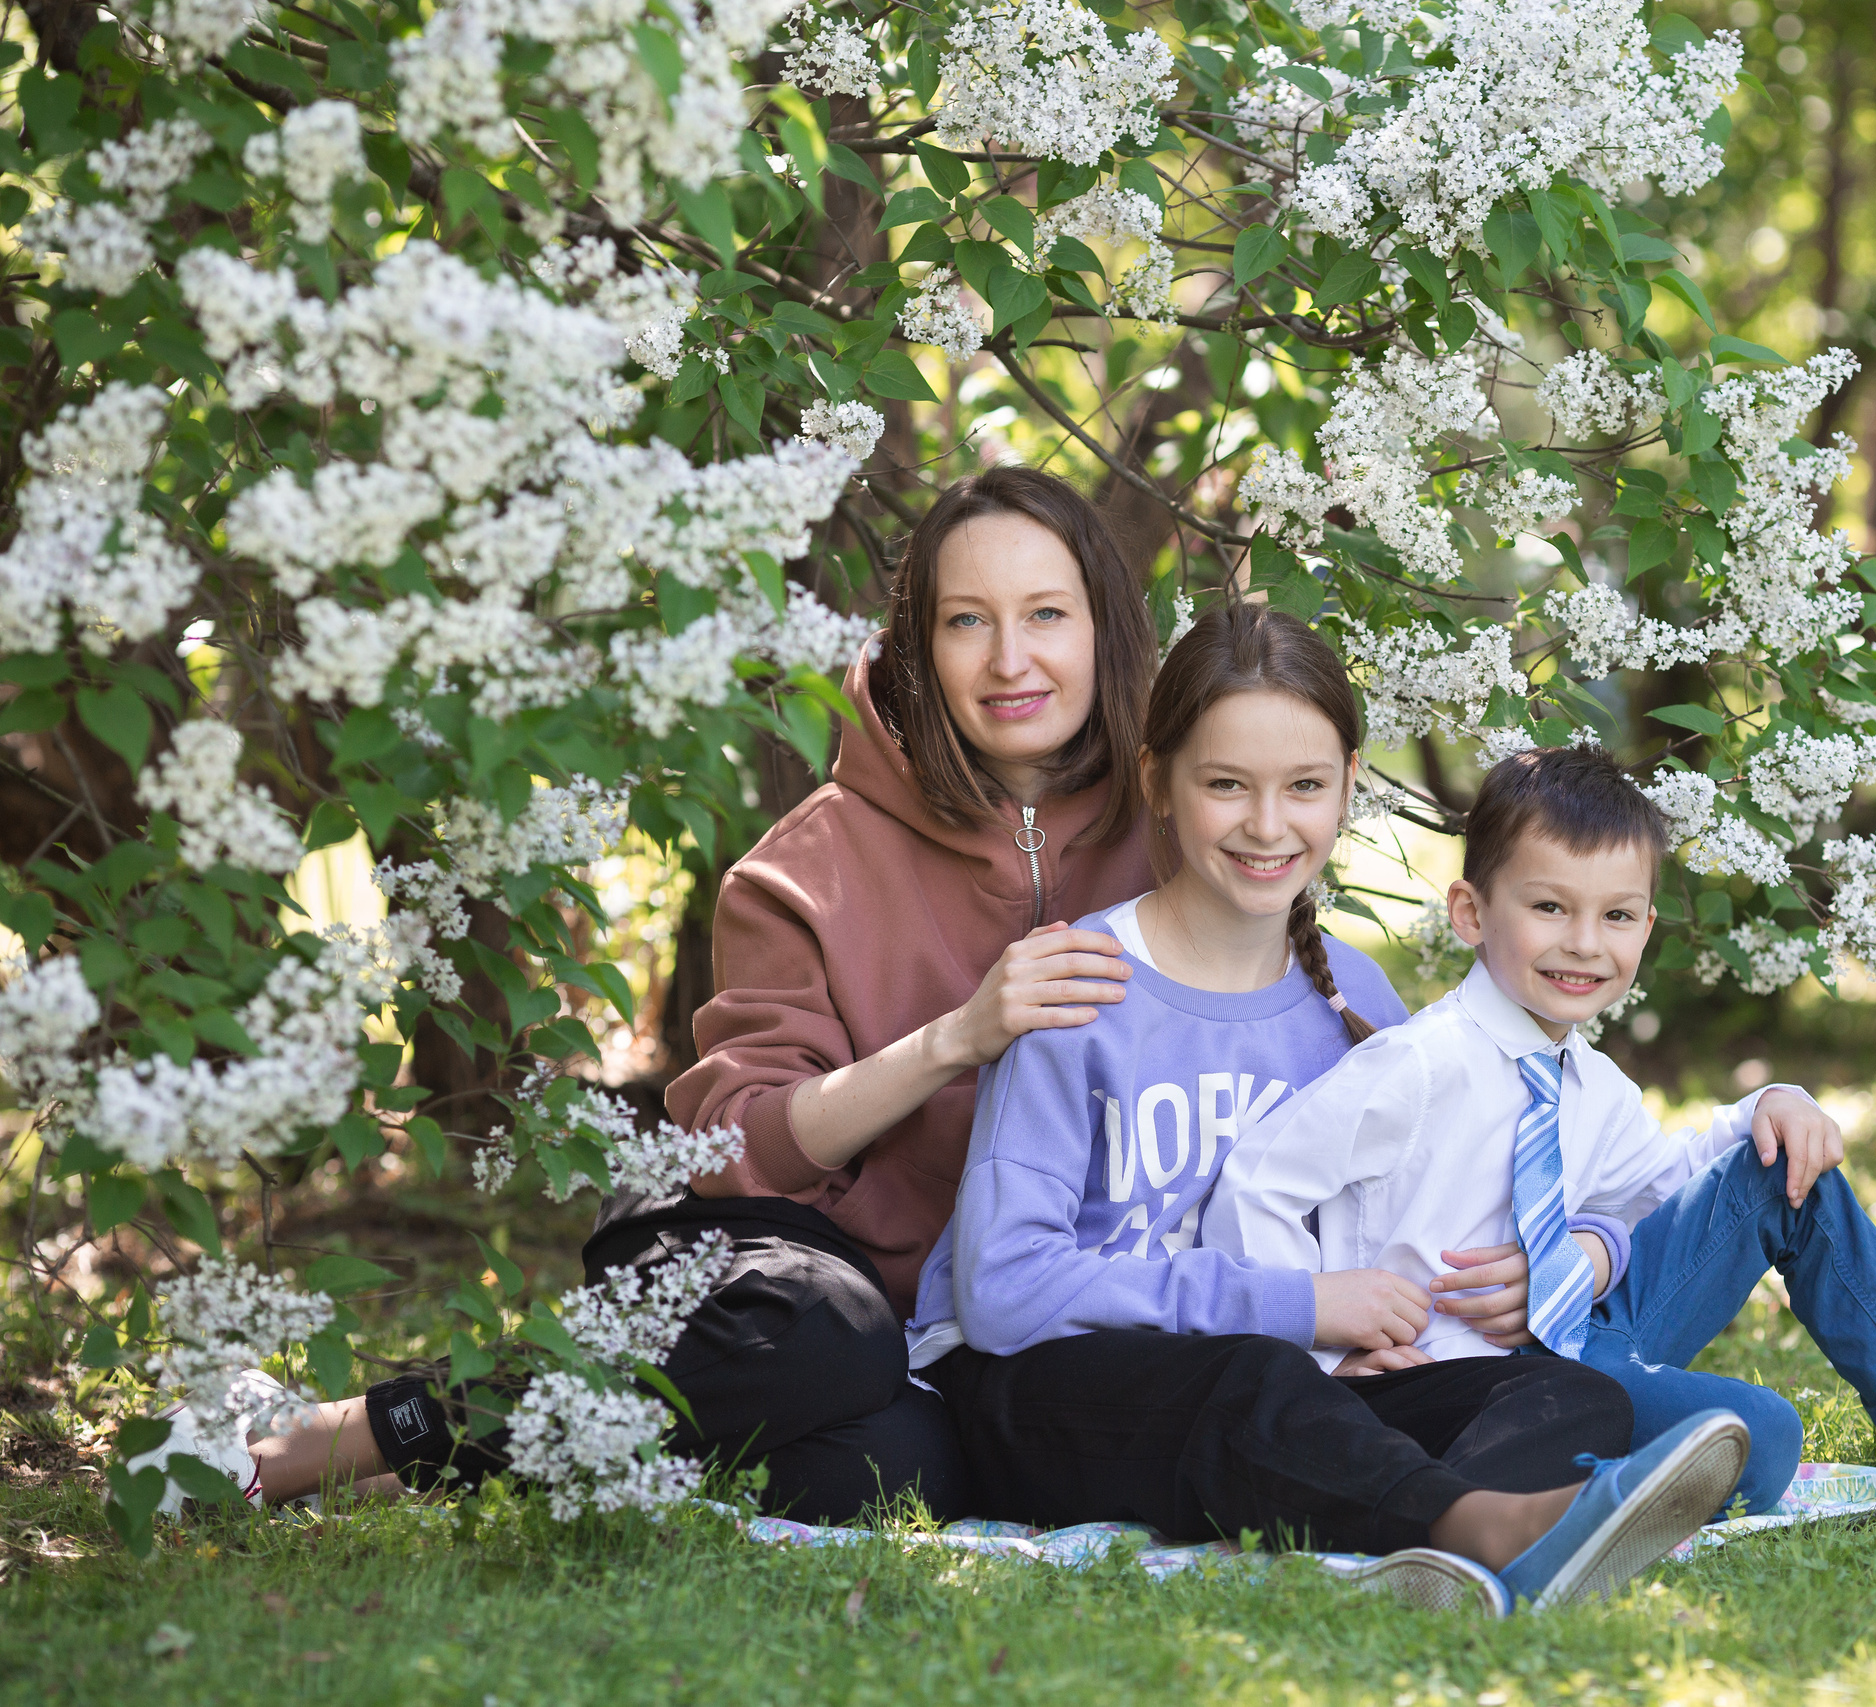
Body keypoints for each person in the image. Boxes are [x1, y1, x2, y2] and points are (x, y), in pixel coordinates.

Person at [174, 468, 1165, 1521]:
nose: (1011, 660)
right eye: (969, 621)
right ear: (919, 647)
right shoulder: (808, 865)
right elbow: (741, 1148)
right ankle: (334, 1436)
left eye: (1046, 614)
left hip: (968, 1333)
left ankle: (639, 1439)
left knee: (899, 1471)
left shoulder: (1173, 837)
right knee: (824, 1338)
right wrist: (957, 1038)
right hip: (775, 1266)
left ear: (1104, 626)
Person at [904, 604, 1750, 1617]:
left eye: (1304, 787)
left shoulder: (1352, 998)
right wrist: (1300, 1307)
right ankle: (1481, 1529)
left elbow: (1429, 1224)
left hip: (1298, 1379)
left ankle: (1399, 1516)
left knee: (1566, 1395)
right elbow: (999, 1290)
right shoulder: (1079, 988)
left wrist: (1498, 1284)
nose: (1269, 825)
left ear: (1350, 785)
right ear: (1157, 784)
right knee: (1242, 1391)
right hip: (1046, 1392)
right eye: (1226, 785)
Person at [1205, 745, 1876, 1519]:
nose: (1585, 942)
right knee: (1766, 1433)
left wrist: (1765, 1105)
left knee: (1785, 1166)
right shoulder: (1416, 1066)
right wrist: (1326, 1347)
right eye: (1549, 907)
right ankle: (1537, 1493)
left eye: (1616, 916)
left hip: (1586, 1337)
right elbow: (1258, 1186)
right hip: (1461, 1386)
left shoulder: (1590, 1082)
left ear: (1646, 928)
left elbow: (1663, 1187)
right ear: (1470, 912)